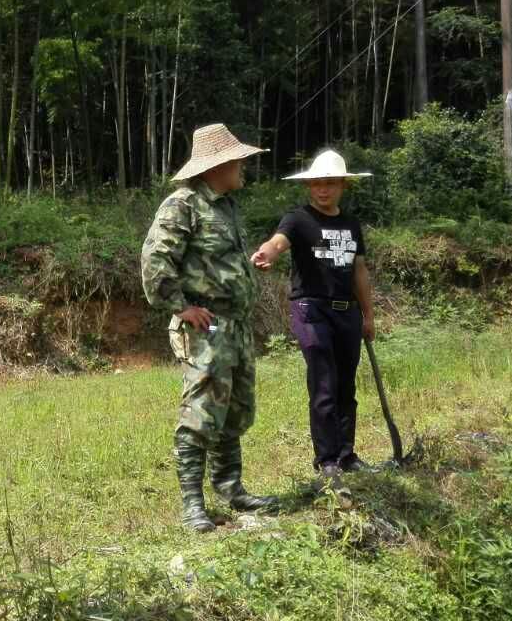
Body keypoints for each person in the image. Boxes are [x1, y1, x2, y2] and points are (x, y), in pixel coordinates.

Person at [141, 123, 278, 533]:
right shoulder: (181, 205)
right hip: (206, 328)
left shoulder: (227, 207)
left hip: (236, 327)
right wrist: (181, 308)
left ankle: (231, 488)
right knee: (201, 413)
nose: (243, 168)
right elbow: (154, 262)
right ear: (216, 165)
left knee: (234, 411)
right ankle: (192, 505)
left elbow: (215, 261)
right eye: (238, 161)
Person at [250, 149, 376, 479]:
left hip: (346, 312)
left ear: (343, 186)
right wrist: (266, 253)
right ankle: (328, 460)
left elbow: (359, 270)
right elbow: (278, 242)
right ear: (309, 186)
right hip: (311, 310)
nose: (323, 190)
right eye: (317, 184)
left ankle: (347, 455)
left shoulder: (350, 224)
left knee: (346, 386)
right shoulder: (298, 218)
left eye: (330, 184)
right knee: (324, 384)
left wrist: (368, 315)